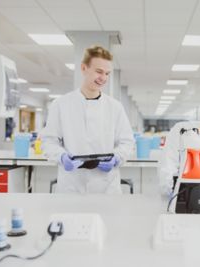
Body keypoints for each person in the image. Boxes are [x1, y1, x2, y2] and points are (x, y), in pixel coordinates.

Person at [40, 46, 134, 194]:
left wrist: (116, 158)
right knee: (71, 217)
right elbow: (48, 141)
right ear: (84, 68)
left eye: (107, 73)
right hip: (72, 186)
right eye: (99, 71)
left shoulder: (115, 107)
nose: (103, 78)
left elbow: (127, 142)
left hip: (106, 187)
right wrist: (62, 156)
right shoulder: (61, 105)